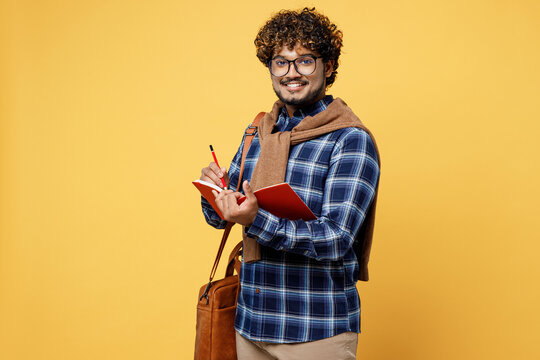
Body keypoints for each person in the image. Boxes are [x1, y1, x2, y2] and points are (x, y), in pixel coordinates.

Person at [199, 7, 381, 360]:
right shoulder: (258, 131)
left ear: (328, 67)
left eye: (305, 61)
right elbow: (222, 217)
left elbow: (337, 239)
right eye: (280, 62)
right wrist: (215, 193)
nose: (291, 73)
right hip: (250, 322)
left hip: (316, 329)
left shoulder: (350, 140)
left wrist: (256, 219)